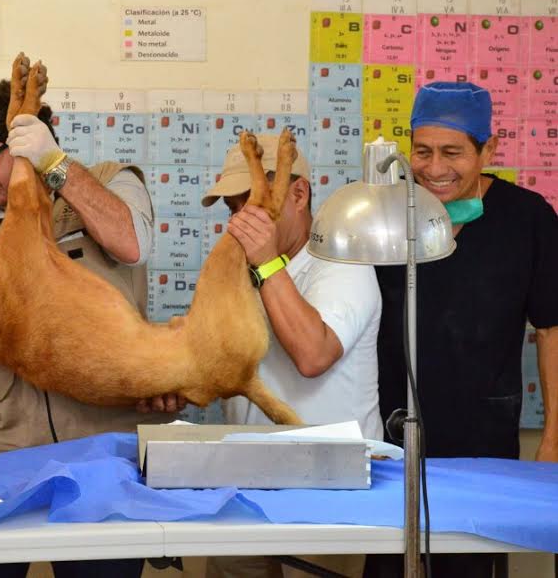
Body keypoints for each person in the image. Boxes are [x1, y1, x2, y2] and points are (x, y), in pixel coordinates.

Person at [0, 79, 176, 578]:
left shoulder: (110, 180)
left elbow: (133, 244)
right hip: (5, 441)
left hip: (104, 437)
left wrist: (53, 163)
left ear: (25, 139)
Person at [365, 82, 558, 578]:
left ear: (488, 150)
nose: (434, 168)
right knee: (388, 562)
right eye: (422, 151)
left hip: (481, 439)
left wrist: (553, 436)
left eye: (452, 152)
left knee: (466, 562)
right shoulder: (384, 212)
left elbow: (552, 331)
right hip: (389, 439)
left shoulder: (527, 219)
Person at [203, 134, 383, 578]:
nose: (240, 223)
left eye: (253, 206)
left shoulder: (342, 263)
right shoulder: (242, 269)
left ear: (298, 194)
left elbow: (313, 354)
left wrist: (267, 263)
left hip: (328, 490)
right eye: (234, 210)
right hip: (243, 488)